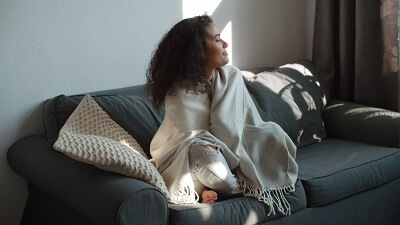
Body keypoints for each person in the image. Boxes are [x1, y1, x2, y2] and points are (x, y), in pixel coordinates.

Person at [146, 15, 298, 215]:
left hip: (230, 151)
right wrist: (209, 145)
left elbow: (244, 123)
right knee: (204, 153)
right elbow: (188, 137)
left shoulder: (232, 77)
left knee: (273, 133)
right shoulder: (178, 91)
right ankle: (234, 187)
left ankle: (220, 188)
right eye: (217, 39)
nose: (225, 43)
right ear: (198, 51)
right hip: (190, 155)